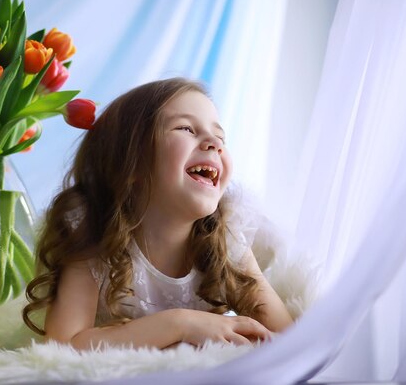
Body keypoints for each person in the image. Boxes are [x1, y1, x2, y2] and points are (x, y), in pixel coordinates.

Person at [22, 77, 294, 350]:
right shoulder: (93, 232)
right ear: (131, 163)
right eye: (186, 128)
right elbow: (63, 344)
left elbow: (287, 338)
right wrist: (179, 324)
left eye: (220, 136)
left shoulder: (226, 237)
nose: (214, 142)